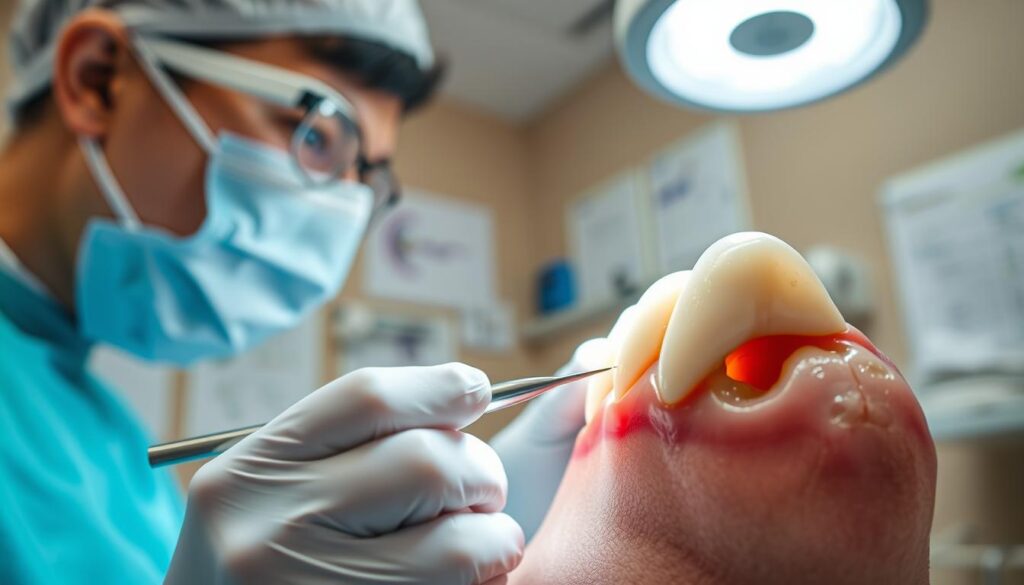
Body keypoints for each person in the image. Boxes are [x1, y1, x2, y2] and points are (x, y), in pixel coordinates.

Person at [0, 1, 611, 582]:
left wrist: (481, 511)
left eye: (364, 178)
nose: (337, 212)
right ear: (98, 78)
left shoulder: (107, 435)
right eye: (317, 136)